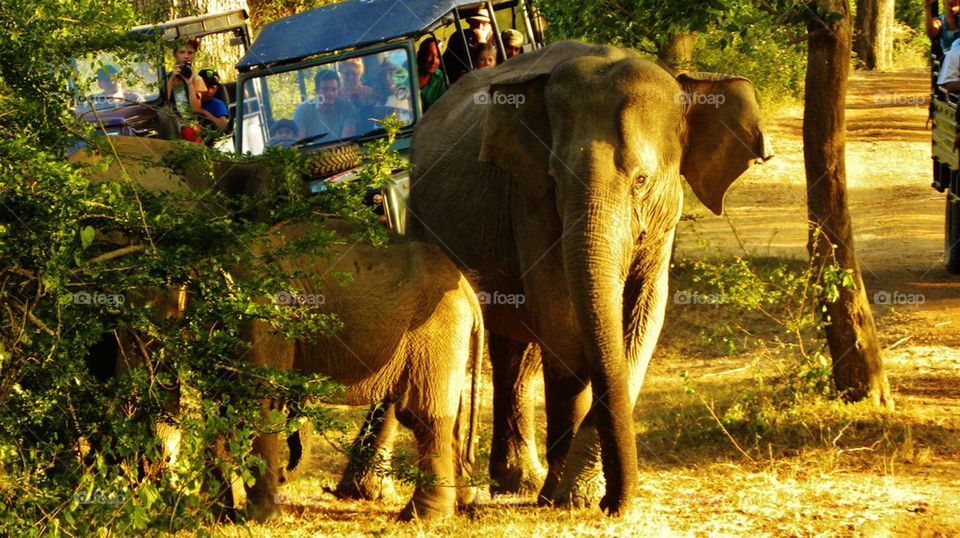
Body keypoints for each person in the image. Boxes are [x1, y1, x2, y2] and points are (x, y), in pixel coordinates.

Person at [293, 69, 357, 140]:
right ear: (316, 91)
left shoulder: (347, 108)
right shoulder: (303, 110)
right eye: (325, 89)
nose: (330, 93)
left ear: (338, 90)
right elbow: (300, 142)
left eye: (334, 89)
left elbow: (347, 141)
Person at [164, 37, 207, 142]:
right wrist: (171, 79)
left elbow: (195, 108)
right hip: (170, 125)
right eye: (182, 52)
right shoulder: (166, 78)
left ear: (194, 55)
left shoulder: (197, 79)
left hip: (189, 126)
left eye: (190, 53)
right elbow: (164, 100)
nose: (186, 56)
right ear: (175, 54)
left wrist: (189, 83)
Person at [442, 7, 494, 83]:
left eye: (484, 24)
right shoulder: (458, 37)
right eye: (476, 23)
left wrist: (481, 41)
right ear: (470, 24)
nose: (479, 28)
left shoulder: (496, 42)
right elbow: (447, 66)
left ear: (491, 26)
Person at [78, 63, 144, 113]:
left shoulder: (134, 99)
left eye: (114, 78)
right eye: (107, 80)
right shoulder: (95, 101)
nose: (112, 82)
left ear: (120, 80)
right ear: (99, 84)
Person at [417, 37, 447, 112]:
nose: (434, 61)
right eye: (430, 55)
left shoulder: (440, 77)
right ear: (419, 55)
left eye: (438, 57)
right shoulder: (406, 73)